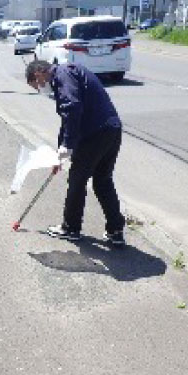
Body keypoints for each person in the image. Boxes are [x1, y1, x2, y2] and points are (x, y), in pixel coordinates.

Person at [25, 60, 126, 246]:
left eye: (37, 85)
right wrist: (60, 152)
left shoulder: (62, 74)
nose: (41, 89)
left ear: (39, 74)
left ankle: (70, 228)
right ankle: (116, 230)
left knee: (77, 180)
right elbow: (67, 120)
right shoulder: (67, 74)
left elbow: (72, 107)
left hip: (95, 133)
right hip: (111, 129)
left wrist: (68, 145)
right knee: (103, 181)